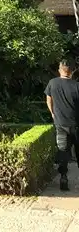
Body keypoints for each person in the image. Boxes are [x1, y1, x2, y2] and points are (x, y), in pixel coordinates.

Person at [46, 60, 79, 191]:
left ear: (60, 70)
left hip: (60, 124)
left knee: (63, 151)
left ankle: (63, 176)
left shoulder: (52, 83)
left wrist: (53, 113)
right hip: (76, 125)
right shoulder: (77, 86)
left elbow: (48, 99)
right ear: (71, 71)